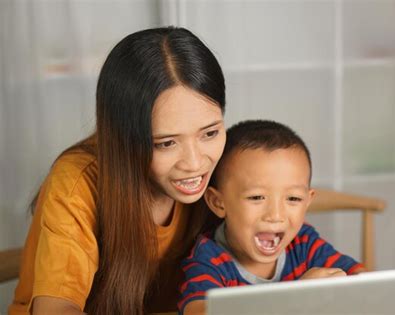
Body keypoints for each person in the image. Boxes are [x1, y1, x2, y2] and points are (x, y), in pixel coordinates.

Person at [9, 26, 227, 315]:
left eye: (209, 133)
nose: (195, 163)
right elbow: (56, 310)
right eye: (166, 143)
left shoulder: (229, 167)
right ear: (123, 137)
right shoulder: (76, 181)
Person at [179, 120, 365, 315]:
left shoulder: (303, 243)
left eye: (293, 198)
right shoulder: (208, 260)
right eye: (256, 197)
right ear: (218, 203)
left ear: (307, 201)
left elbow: (364, 281)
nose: (275, 215)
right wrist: (293, 298)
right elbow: (197, 311)